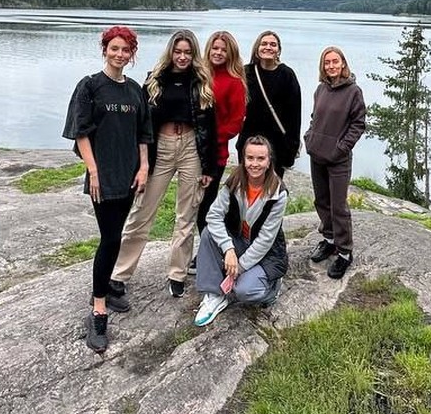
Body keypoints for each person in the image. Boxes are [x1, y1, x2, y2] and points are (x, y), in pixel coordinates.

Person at [62, 25, 151, 353]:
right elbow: (80, 132)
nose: (119, 54)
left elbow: (144, 132)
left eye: (125, 50)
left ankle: (109, 290)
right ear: (105, 50)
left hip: (129, 175)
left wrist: (143, 168)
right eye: (114, 48)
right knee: (111, 237)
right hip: (103, 176)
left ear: (131, 54)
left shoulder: (134, 91)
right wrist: (93, 170)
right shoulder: (90, 86)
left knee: (116, 234)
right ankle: (98, 309)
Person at [110, 29, 216, 302]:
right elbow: (143, 123)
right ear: (171, 52)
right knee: (142, 211)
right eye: (178, 51)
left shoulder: (201, 82)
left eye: (187, 52)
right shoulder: (155, 80)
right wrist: (141, 162)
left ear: (194, 55)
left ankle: (177, 274)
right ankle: (119, 274)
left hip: (191, 147)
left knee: (186, 215)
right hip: (162, 147)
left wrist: (209, 168)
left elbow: (209, 127)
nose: (182, 57)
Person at [193, 135, 289, 326]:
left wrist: (238, 267)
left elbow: (265, 240)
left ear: (269, 161)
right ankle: (214, 294)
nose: (255, 164)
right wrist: (228, 249)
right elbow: (213, 216)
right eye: (250, 158)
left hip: (267, 254)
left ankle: (272, 287)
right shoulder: (235, 181)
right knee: (209, 233)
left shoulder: (278, 193)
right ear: (243, 159)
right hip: (238, 241)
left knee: (244, 291)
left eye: (261, 159)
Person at [303, 46, 366, 279]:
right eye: (327, 62)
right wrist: (310, 137)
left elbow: (358, 124)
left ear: (343, 64)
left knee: (338, 206)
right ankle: (329, 240)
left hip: (338, 159)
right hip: (317, 155)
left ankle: (344, 252)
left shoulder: (353, 91)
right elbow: (315, 118)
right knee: (321, 200)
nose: (331, 66)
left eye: (335, 61)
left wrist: (342, 147)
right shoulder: (321, 89)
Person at [193, 30, 248, 259]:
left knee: (206, 207)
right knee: (191, 207)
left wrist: (209, 138)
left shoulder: (234, 82)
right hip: (189, 149)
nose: (218, 52)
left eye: (223, 50)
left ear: (230, 53)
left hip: (214, 153)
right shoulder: (198, 75)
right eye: (215, 48)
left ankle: (211, 251)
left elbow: (235, 124)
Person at [237, 30, 301, 178]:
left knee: (271, 191)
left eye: (273, 44)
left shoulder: (287, 75)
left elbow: (294, 115)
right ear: (257, 48)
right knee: (246, 187)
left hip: (277, 144)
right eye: (264, 44)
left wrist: (292, 147)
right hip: (249, 140)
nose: (268, 47)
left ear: (278, 50)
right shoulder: (246, 73)